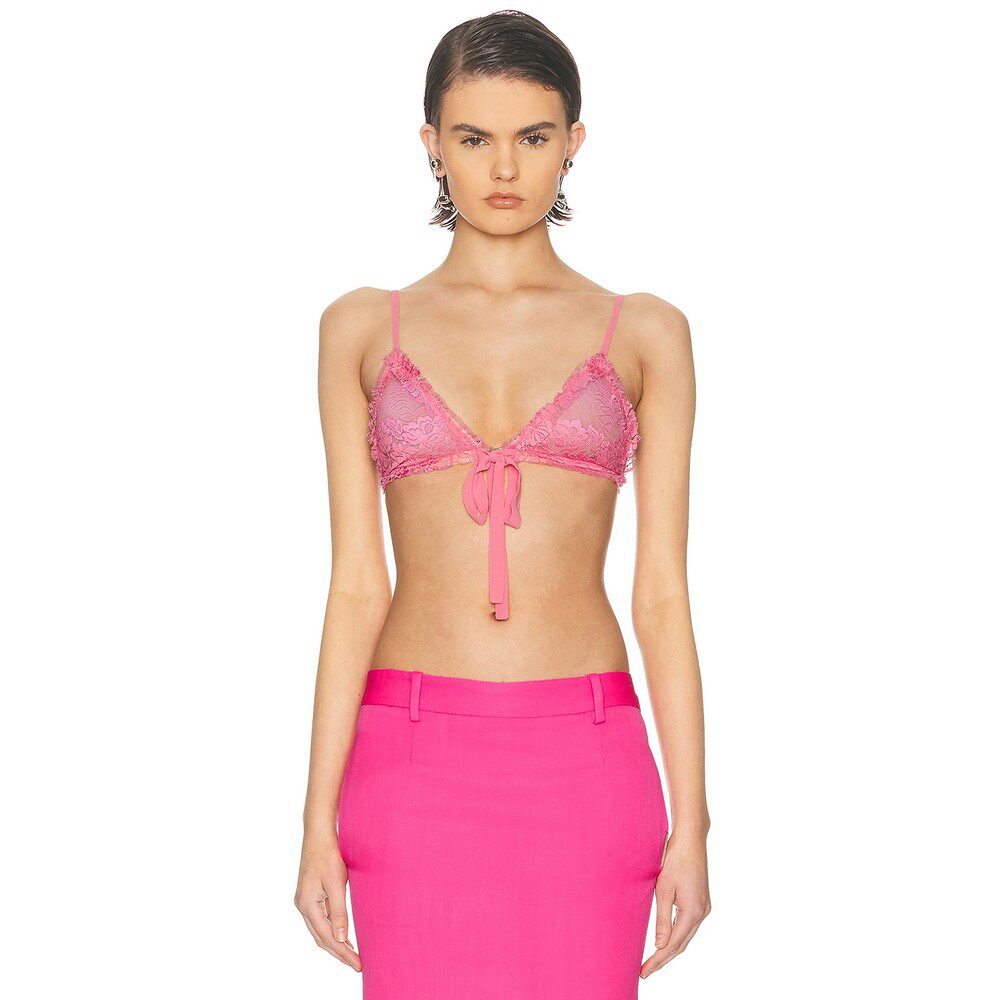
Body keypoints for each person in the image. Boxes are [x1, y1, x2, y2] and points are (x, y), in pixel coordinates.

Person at [295, 11, 710, 998]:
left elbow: (661, 594)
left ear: (574, 140)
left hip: (587, 761)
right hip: (408, 761)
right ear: (431, 143)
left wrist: (693, 822)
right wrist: (314, 820)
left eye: (532, 136)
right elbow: (355, 587)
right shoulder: (360, 327)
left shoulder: (645, 332)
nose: (505, 168)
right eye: (474, 137)